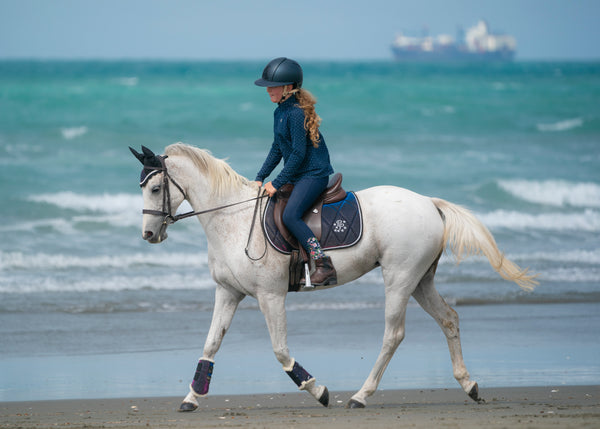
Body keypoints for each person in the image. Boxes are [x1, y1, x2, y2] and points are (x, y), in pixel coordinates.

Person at [254, 57, 337, 286]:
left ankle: (322, 263)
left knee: (291, 215)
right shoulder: (279, 112)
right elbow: (277, 149)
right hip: (299, 172)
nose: (269, 90)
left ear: (288, 88)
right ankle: (295, 263)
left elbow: (298, 155)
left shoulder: (296, 114)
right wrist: (260, 177)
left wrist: (278, 182)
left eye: (273, 86)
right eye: (267, 86)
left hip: (313, 174)